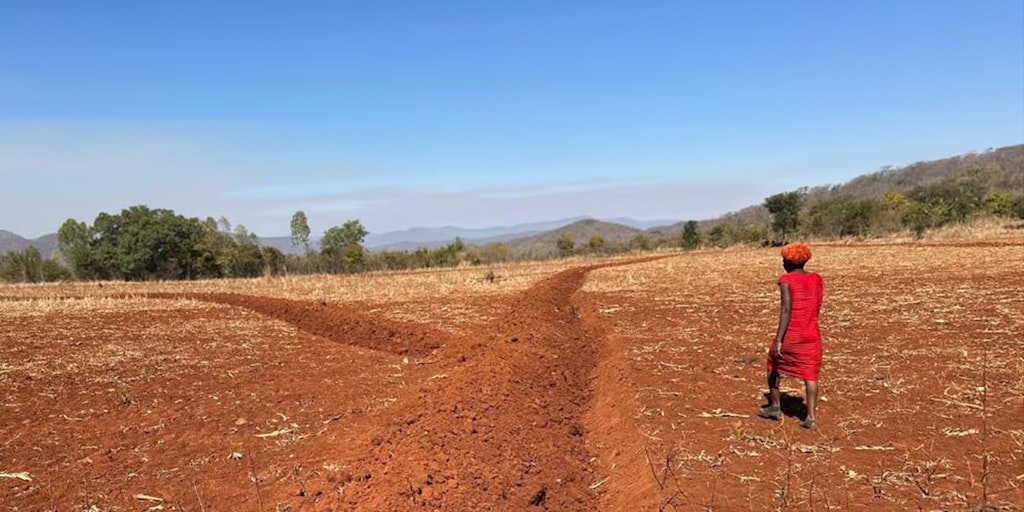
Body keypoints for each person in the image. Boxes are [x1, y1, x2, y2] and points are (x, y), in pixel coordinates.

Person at [759, 243, 824, 429]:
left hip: (792, 335)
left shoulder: (787, 280)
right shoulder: (817, 279)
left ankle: (775, 406)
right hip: (811, 334)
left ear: (787, 262)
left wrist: (779, 339)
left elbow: (786, 310)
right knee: (810, 375)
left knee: (773, 365)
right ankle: (811, 417)